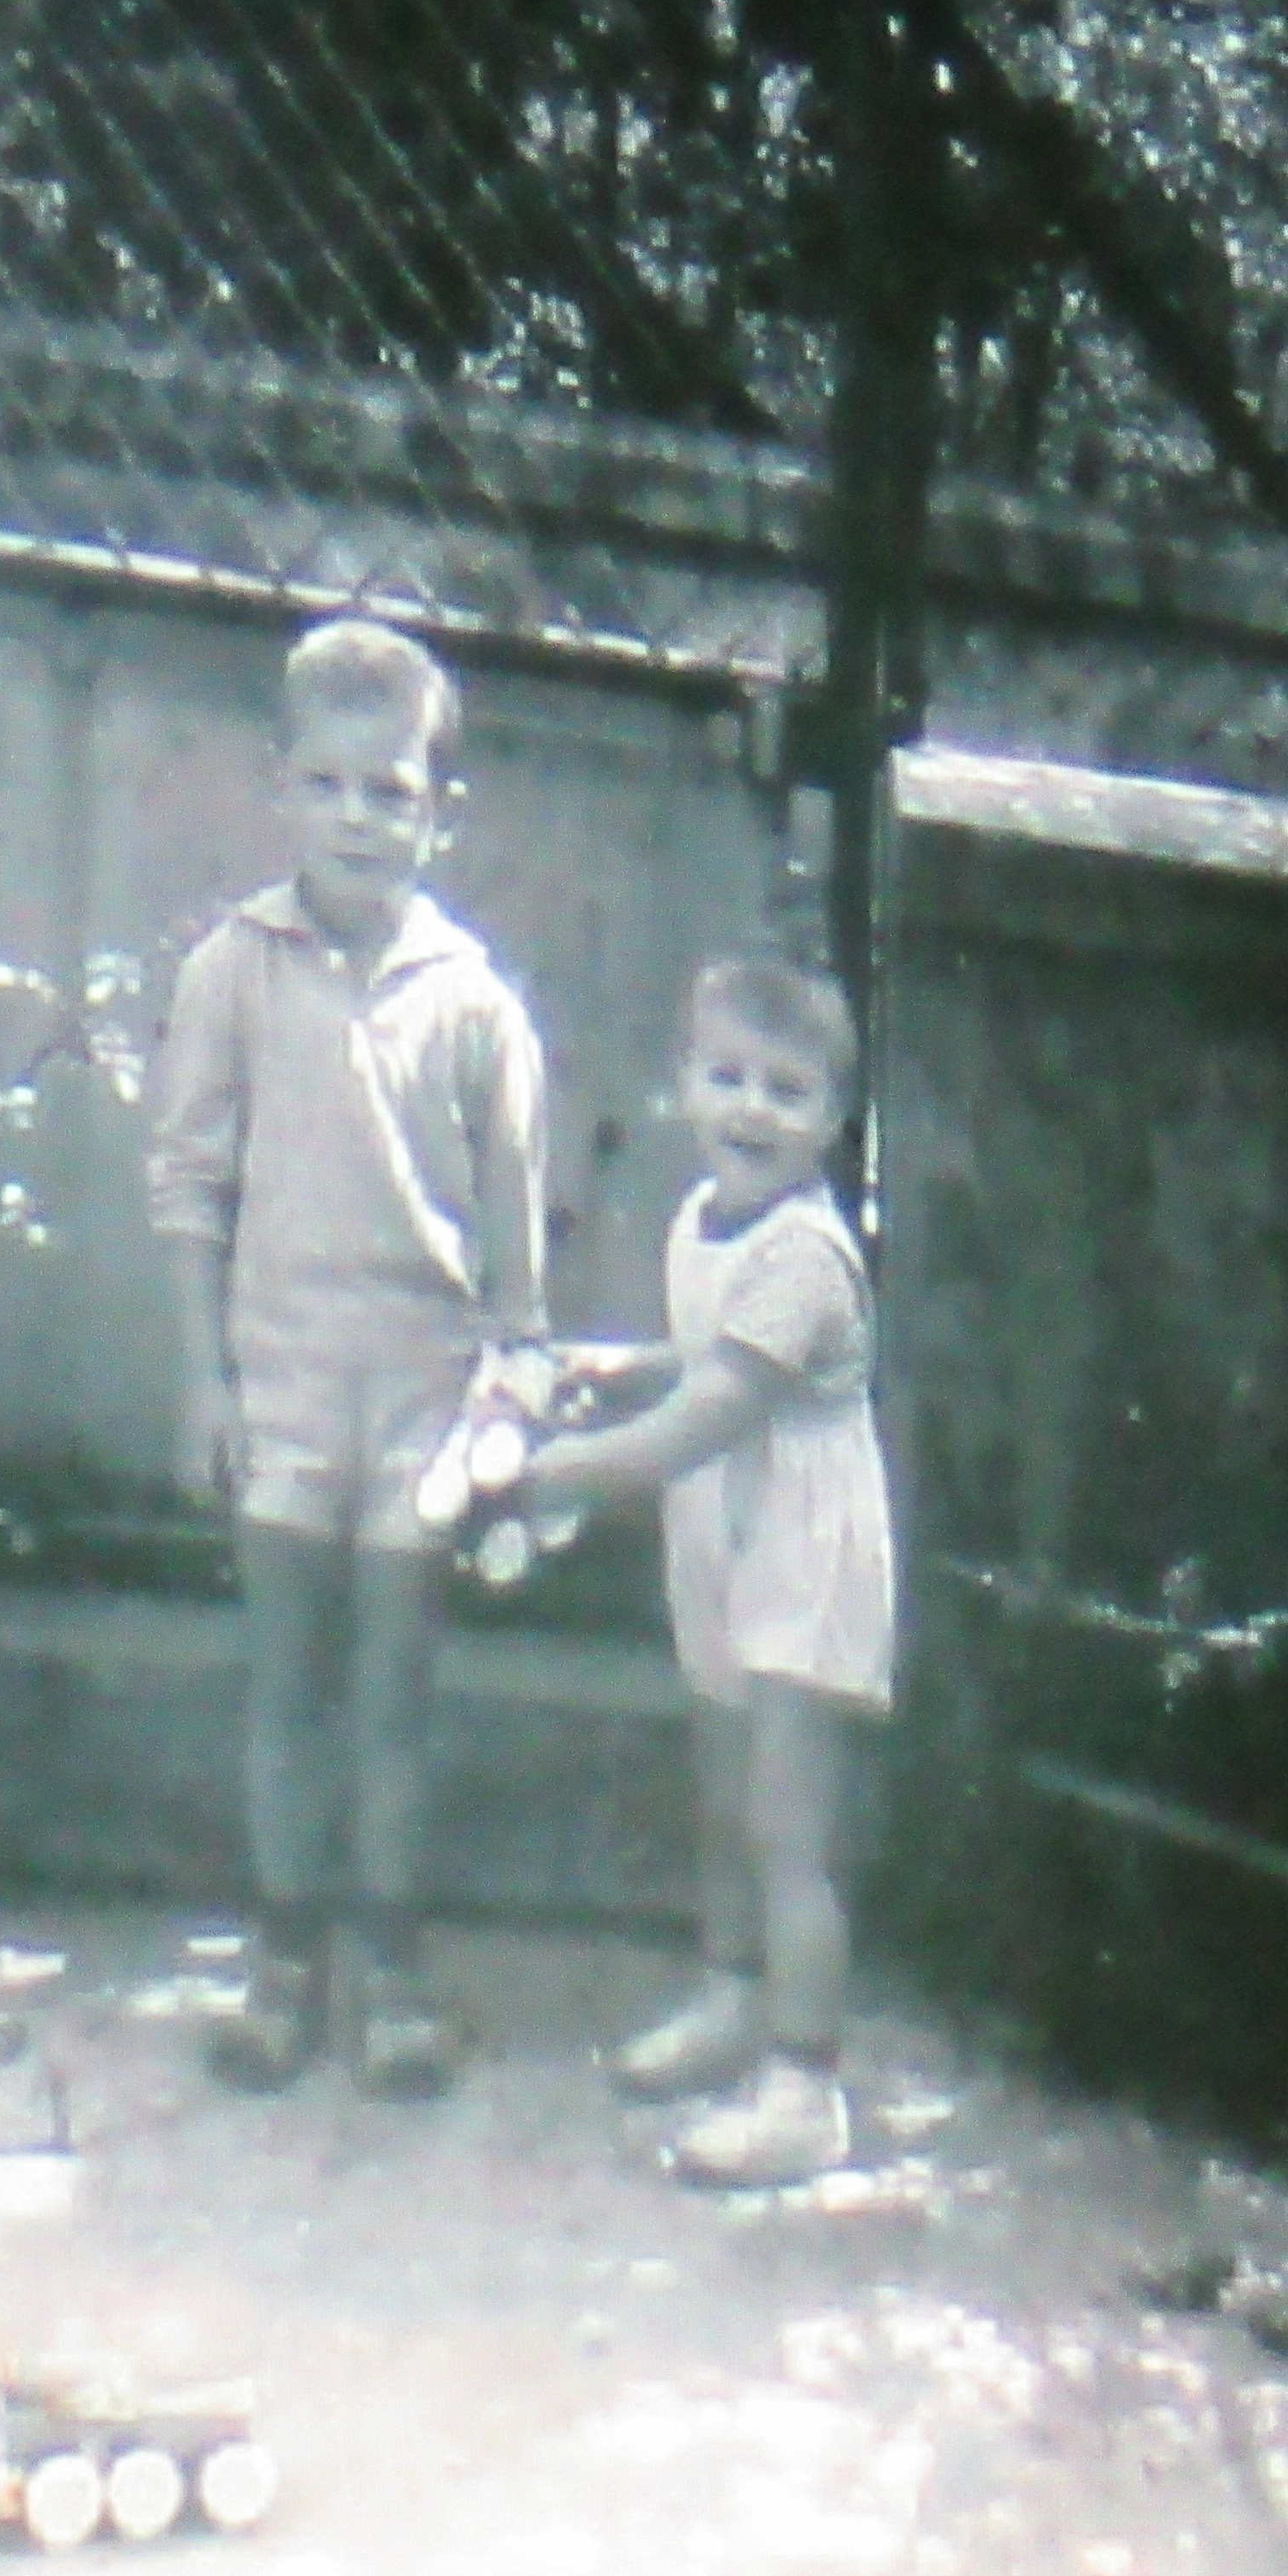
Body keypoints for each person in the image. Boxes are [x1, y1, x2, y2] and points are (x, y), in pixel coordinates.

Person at [146, 615, 550, 2100]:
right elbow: (189, 1183)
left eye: (391, 790)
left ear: (444, 812)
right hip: (284, 1392)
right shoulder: (233, 971)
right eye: (325, 784)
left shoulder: (479, 1006)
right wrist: (205, 1379)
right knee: (284, 1692)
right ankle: (280, 1961)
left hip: (424, 1409)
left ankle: (391, 1970)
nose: (357, 817)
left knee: (393, 1699)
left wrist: (509, 1393)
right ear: (280, 788)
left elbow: (515, 1244)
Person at [523, 953, 895, 2189]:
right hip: (722, 1535)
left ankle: (805, 2086)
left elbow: (714, 1412)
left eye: (787, 1089)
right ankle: (734, 1999)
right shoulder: (703, 1216)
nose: (751, 1109)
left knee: (788, 1827)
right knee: (724, 1795)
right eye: (728, 1076)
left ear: (833, 1117)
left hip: (800, 1547)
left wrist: (562, 1471)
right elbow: (698, 1357)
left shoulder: (808, 1259)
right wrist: (612, 1369)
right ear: (683, 1081)